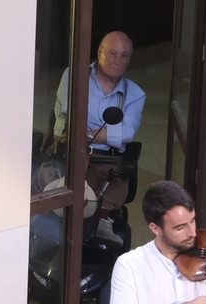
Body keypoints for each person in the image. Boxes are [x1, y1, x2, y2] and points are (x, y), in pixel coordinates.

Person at [52, 32, 146, 243]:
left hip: (108, 159)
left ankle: (102, 221)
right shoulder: (74, 75)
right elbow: (66, 115)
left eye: (124, 55)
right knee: (63, 196)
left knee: (108, 193)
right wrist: (98, 136)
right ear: (99, 52)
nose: (117, 60)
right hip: (74, 151)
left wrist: (86, 134)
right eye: (112, 53)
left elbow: (126, 133)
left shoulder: (135, 94)